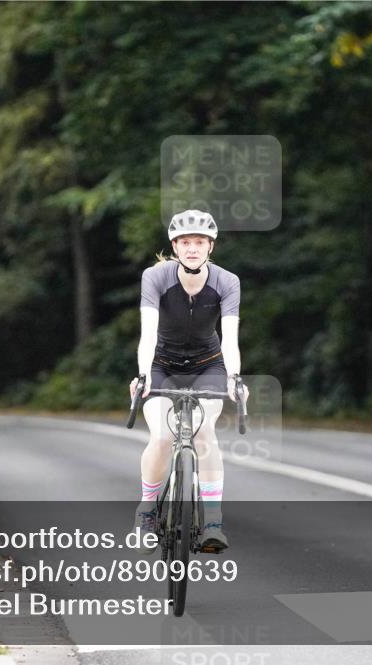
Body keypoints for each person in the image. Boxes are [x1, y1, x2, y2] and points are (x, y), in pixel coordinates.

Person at [129, 209, 245, 554]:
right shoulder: (156, 277)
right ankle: (147, 511)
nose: (192, 248)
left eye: (199, 242)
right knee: (163, 436)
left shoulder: (227, 282)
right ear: (175, 247)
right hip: (161, 364)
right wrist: (144, 374)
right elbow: (147, 332)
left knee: (204, 432)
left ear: (211, 246)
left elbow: (230, 340)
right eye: (185, 242)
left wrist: (234, 378)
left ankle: (212, 521)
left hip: (208, 366)